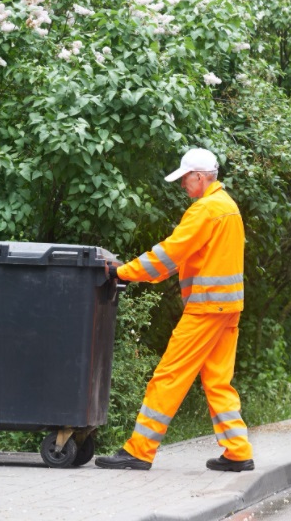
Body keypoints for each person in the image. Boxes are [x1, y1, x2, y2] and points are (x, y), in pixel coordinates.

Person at [95, 148, 255, 472]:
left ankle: (139, 449)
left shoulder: (205, 209)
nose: (183, 185)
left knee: (168, 376)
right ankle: (237, 451)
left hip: (206, 308)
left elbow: (169, 253)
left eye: (185, 179)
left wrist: (122, 272)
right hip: (228, 308)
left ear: (199, 176)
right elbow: (182, 257)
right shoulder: (228, 207)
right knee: (217, 380)